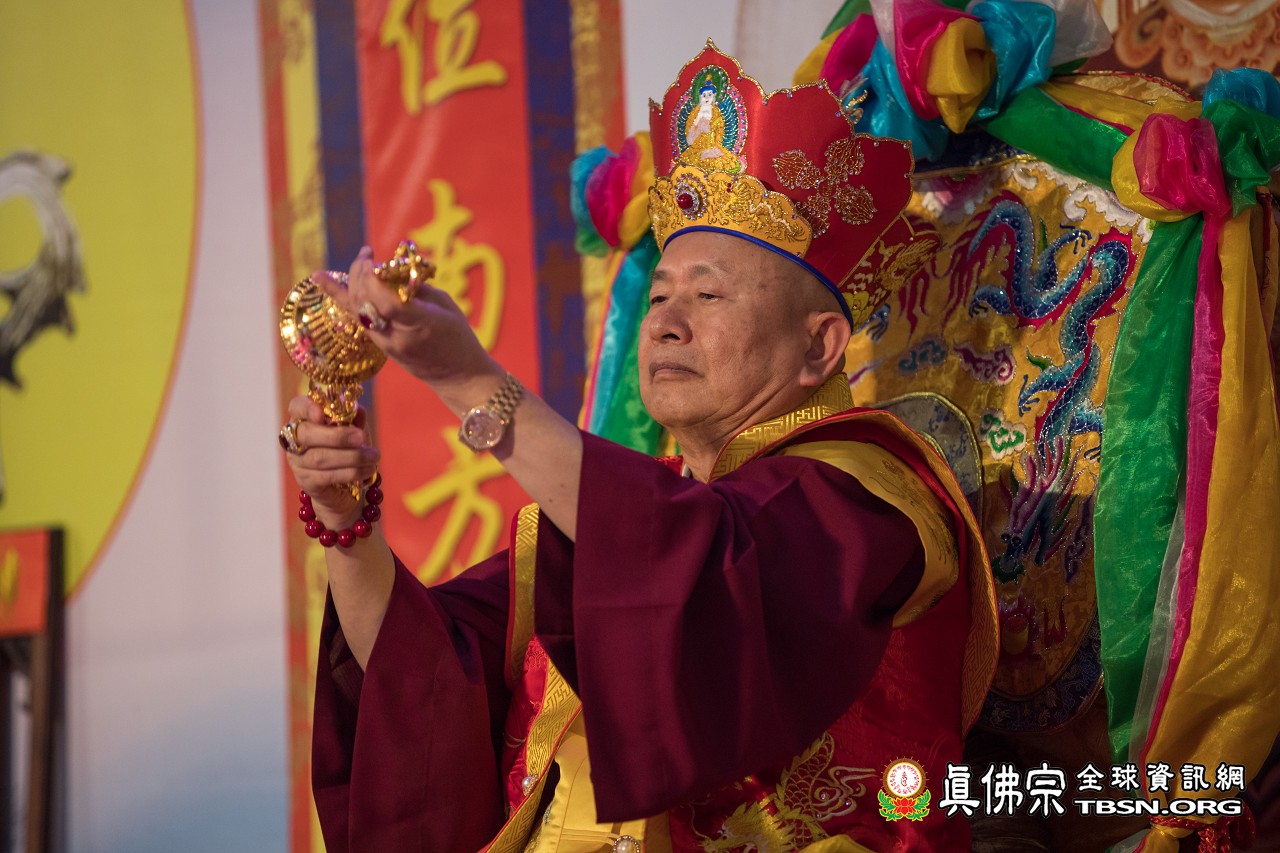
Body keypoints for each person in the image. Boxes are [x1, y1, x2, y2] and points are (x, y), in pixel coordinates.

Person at [283, 44, 997, 853]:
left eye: (709, 293)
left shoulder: (866, 494)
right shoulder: (628, 517)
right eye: (659, 295)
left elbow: (706, 572)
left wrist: (471, 381)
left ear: (818, 346)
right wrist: (345, 525)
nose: (665, 323)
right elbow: (426, 673)